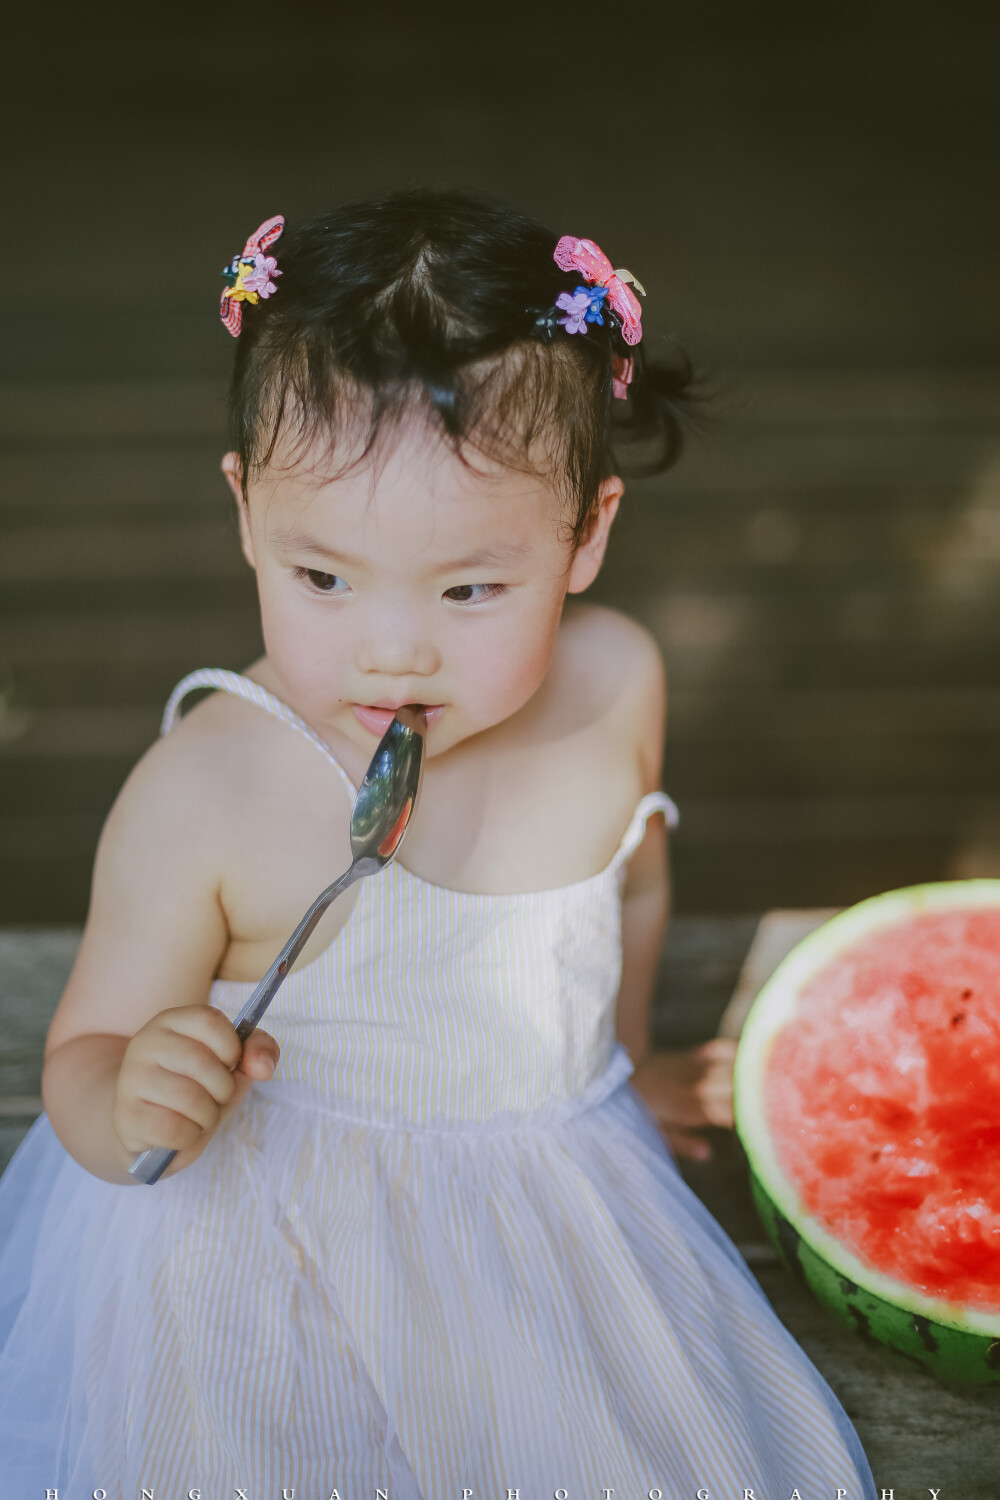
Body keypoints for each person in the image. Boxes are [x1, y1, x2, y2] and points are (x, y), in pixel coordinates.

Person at [0, 190, 876, 1498]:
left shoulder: (614, 683)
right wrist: (130, 1090)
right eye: (323, 579)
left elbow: (632, 883)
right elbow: (81, 1048)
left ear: (586, 536)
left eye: (471, 589)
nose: (393, 648)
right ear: (245, 515)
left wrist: (621, 1057)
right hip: (264, 1243)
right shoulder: (210, 788)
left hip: (551, 1216)